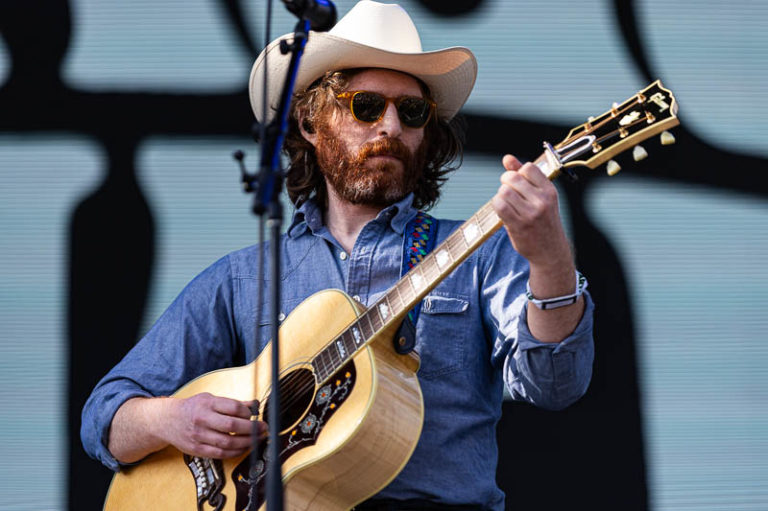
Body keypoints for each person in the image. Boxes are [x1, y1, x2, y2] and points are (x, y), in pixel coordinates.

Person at [82, 2, 594, 510]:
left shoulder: (480, 253)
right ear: (311, 121)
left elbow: (556, 383)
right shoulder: (242, 278)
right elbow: (104, 418)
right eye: (366, 106)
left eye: (412, 112)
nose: (390, 126)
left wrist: (550, 260)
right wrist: (172, 420)